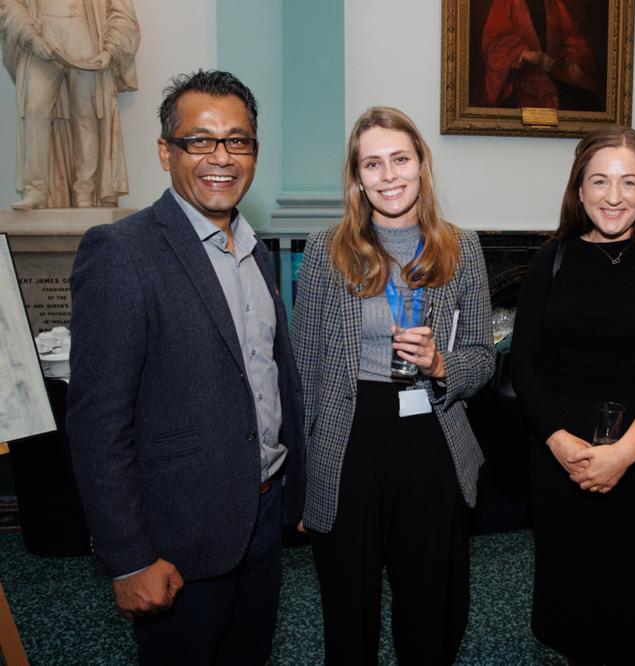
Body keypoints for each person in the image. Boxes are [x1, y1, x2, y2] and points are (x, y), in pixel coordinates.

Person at [65, 70, 305, 664]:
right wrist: (130, 557)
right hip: (177, 537)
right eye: (199, 140)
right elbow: (98, 424)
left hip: (262, 515)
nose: (221, 157)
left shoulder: (253, 249)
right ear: (165, 151)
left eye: (238, 140)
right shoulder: (122, 253)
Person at [292, 106, 494, 664]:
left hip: (432, 438)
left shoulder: (463, 248)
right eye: (373, 164)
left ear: (422, 165)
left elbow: (484, 359)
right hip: (348, 437)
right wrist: (305, 481)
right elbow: (305, 370)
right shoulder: (324, 249)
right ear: (357, 178)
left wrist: (440, 365)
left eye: (400, 159)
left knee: (430, 607)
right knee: (348, 608)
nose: (389, 176)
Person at [510, 126, 635, 664]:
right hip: (563, 462)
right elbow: (524, 361)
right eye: (599, 181)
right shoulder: (550, 259)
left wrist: (624, 453)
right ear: (579, 190)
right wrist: (559, 443)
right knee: (577, 605)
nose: (613, 195)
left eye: (629, 181)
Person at [0, 0, 140, 209]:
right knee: (35, 110)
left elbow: (120, 13)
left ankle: (85, 191)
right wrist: (30, 36)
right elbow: (10, 4)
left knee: (87, 115)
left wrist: (111, 50)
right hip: (41, 32)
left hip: (83, 32)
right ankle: (35, 190)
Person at [479, 0, 598, 110]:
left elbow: (569, 35)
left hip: (555, 70)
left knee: (590, 101)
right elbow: (493, 43)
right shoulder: (505, 2)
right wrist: (523, 53)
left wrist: (572, 59)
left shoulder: (553, 3)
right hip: (519, 77)